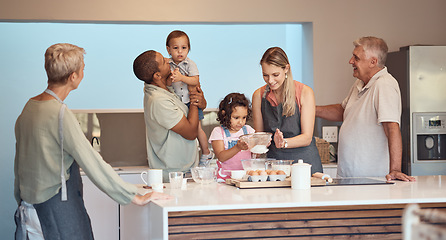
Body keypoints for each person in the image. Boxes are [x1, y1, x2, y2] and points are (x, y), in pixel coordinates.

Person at [13, 43, 172, 240]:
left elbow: (20, 163)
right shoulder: (60, 115)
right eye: (82, 69)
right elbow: (92, 162)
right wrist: (133, 196)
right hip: (57, 210)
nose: (83, 72)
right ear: (73, 76)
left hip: (29, 209)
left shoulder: (29, 108)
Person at [315, 36, 416, 181]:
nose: (351, 61)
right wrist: (310, 109)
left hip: (370, 178)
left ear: (373, 62)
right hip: (350, 175)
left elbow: (392, 128)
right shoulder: (359, 83)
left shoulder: (384, 85)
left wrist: (395, 169)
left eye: (356, 58)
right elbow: (343, 111)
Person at [133, 50, 207, 182]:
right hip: (174, 175)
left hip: (184, 170)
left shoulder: (166, 88)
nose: (168, 60)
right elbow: (190, 132)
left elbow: (200, 105)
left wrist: (198, 99)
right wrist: (194, 102)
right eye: (163, 61)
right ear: (157, 75)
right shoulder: (158, 100)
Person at [252, 47, 323, 175]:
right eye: (265, 75)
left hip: (304, 163)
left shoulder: (305, 92)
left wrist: (283, 142)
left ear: (286, 68)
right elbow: (260, 135)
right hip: (275, 165)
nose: (270, 81)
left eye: (275, 75)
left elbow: (307, 137)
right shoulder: (258, 95)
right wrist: (259, 142)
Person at [166, 30, 213, 165]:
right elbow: (167, 84)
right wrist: (171, 78)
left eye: (184, 48)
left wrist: (181, 78)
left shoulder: (190, 64)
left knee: (197, 128)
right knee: (182, 132)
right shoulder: (167, 65)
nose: (180, 52)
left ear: (188, 49)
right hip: (177, 104)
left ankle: (206, 152)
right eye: (175, 48)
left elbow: (195, 81)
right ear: (169, 50)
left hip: (189, 101)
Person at [209, 93, 255, 182]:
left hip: (246, 178)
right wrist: (237, 147)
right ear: (225, 114)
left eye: (244, 117)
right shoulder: (219, 132)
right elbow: (221, 157)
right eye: (236, 117)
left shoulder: (249, 131)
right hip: (226, 179)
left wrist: (261, 145)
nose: (241, 122)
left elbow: (254, 155)